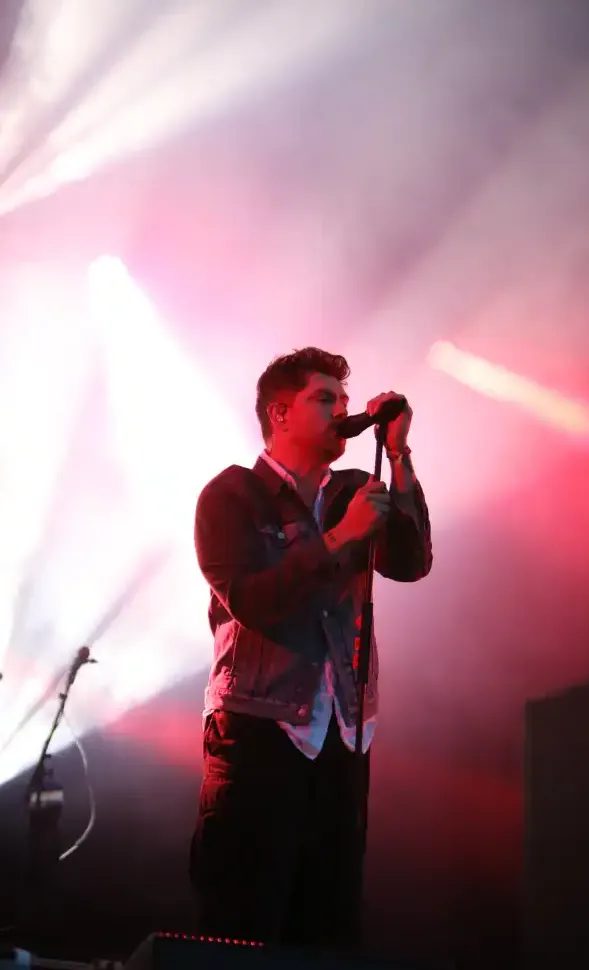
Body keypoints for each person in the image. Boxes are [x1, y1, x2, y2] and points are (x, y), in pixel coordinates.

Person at [189, 347, 432, 950]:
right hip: (256, 730)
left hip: (343, 735)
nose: (342, 410)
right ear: (280, 412)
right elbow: (254, 599)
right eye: (324, 399)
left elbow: (411, 561)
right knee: (245, 922)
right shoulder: (232, 496)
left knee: (328, 925)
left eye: (345, 401)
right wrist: (341, 536)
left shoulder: (356, 485)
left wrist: (399, 456)